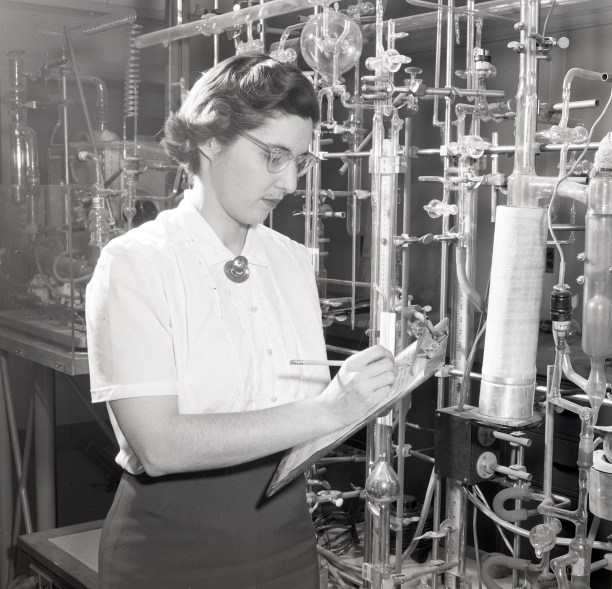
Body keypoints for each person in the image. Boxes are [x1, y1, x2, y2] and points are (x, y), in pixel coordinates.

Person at [86, 53, 397, 589]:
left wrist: (371, 390)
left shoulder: (291, 261)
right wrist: (328, 410)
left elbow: (306, 422)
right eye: (275, 155)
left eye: (300, 160)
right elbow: (160, 447)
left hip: (288, 548)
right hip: (170, 557)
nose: (291, 182)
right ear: (210, 138)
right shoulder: (137, 263)